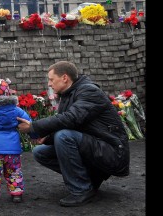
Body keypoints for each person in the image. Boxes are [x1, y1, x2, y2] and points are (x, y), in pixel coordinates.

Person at [16, 61, 130, 207]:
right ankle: (90, 179)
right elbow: (74, 125)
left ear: (64, 78)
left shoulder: (89, 92)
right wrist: (47, 138)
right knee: (40, 152)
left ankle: (81, 190)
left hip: (112, 152)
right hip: (95, 147)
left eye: (51, 79)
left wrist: (33, 127)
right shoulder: (68, 95)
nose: (49, 84)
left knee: (64, 136)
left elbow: (71, 118)